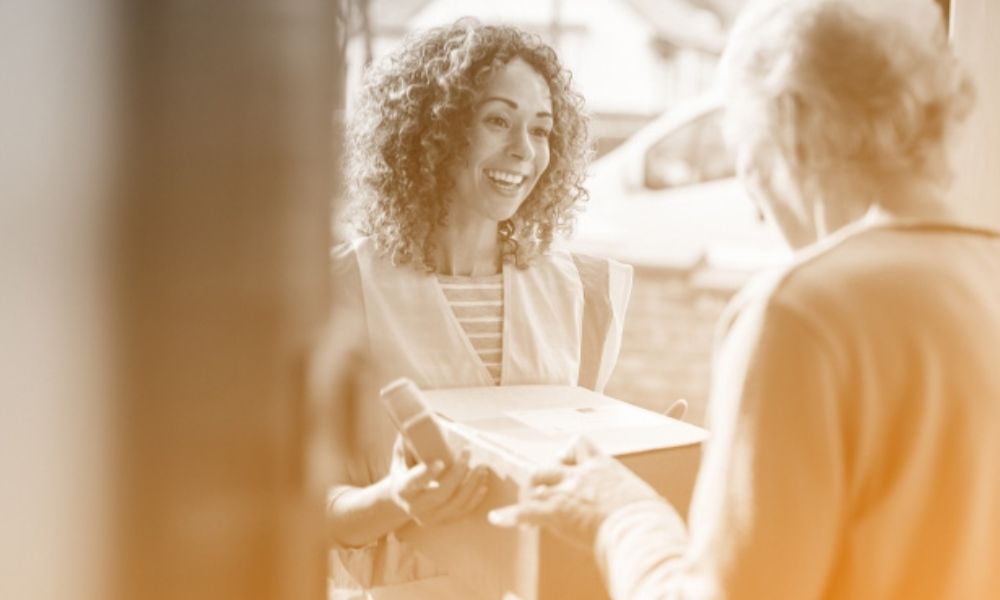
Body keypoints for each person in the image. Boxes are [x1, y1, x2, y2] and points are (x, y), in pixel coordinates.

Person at [490, 0, 1000, 598]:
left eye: (744, 153)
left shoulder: (803, 311)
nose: (755, 204)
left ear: (790, 121)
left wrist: (620, 513)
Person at [325, 21, 632, 598]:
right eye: (497, 120)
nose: (524, 151)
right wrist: (392, 500)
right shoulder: (340, 289)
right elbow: (297, 504)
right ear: (433, 131)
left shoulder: (583, 293)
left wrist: (637, 460)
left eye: (541, 130)